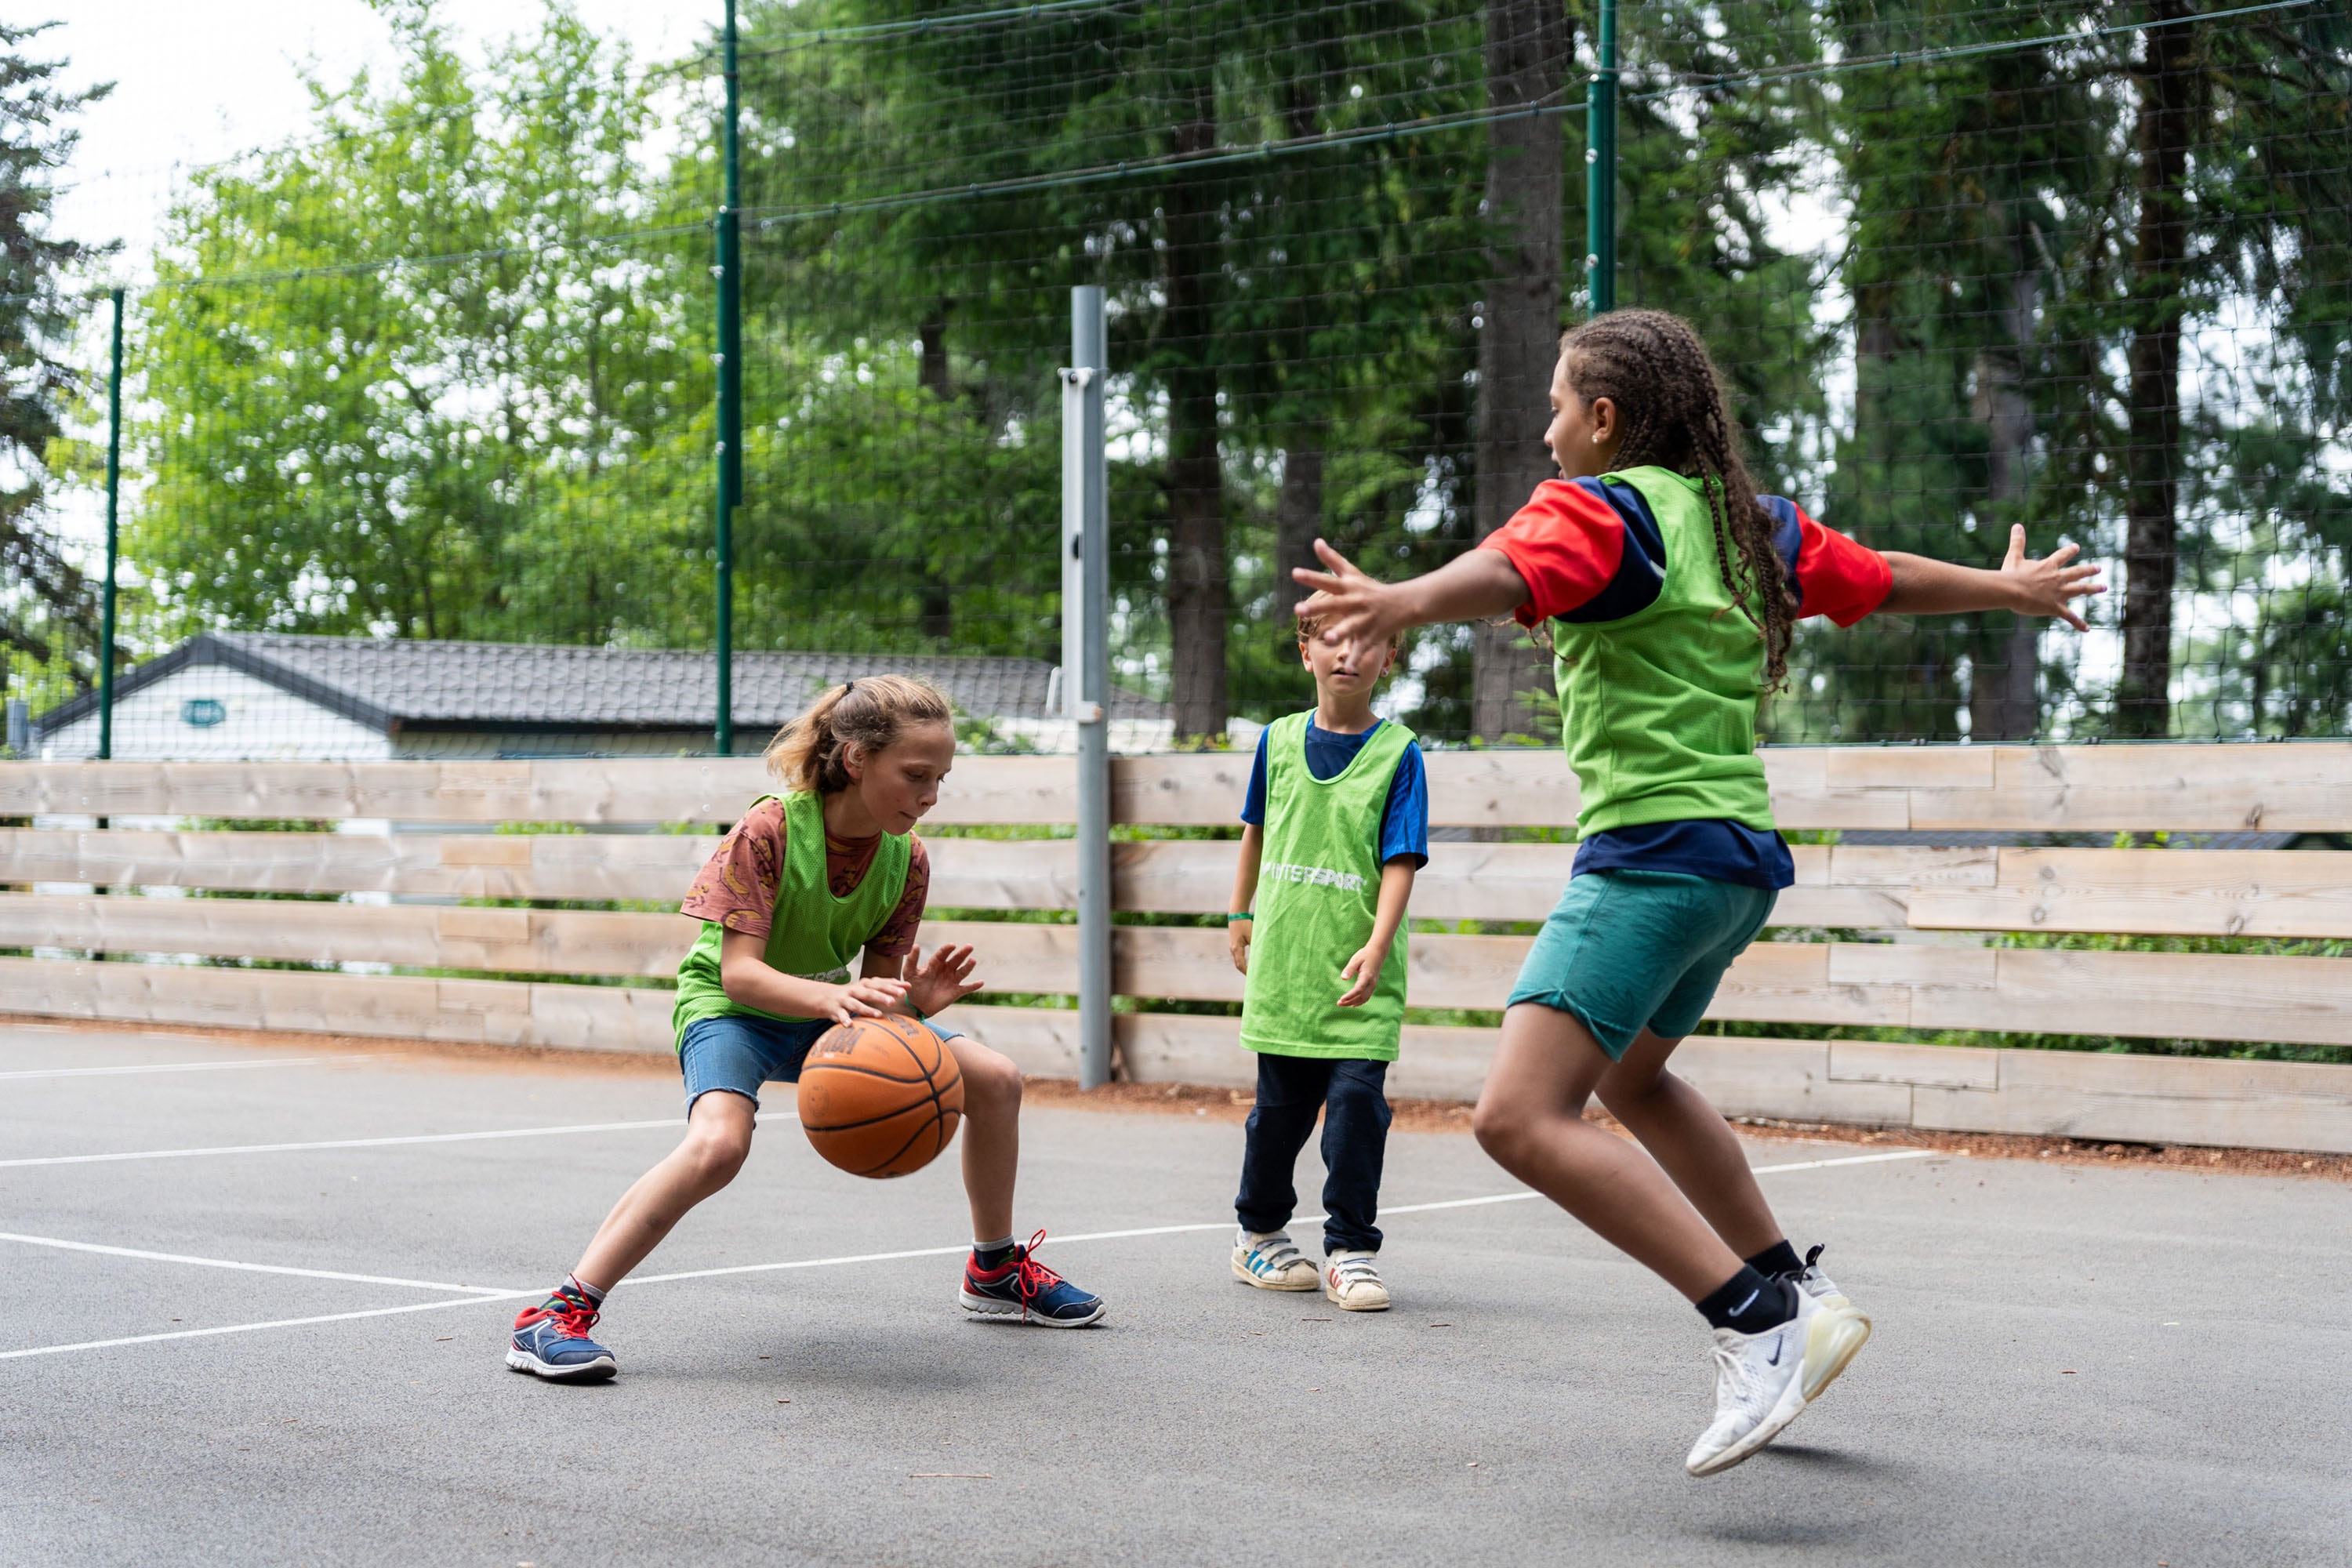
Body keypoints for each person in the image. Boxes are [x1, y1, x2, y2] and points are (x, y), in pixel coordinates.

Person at [1290, 308, 2102, 1474]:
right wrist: (2005, 590)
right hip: (1735, 865)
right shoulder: (1743, 523)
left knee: (1518, 1119)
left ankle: (1751, 1323)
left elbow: (1508, 566)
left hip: (1652, 858)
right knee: (1635, 1079)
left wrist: (1406, 599)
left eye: (1560, 404)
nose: (1547, 425)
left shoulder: (1598, 510)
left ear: (1605, 418)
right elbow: (1880, 578)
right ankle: (1791, 1286)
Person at [507, 675, 1106, 1382]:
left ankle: (995, 1268)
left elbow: (880, 1007)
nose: (930, 795)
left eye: (941, 778)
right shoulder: (770, 830)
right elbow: (739, 975)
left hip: (830, 1011)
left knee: (996, 1079)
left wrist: (913, 1005)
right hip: (735, 1012)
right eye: (915, 775)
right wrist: (840, 1000)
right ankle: (554, 1314)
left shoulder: (905, 857)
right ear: (855, 759)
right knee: (718, 1147)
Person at [1225, 593, 1429, 1311]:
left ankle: (1349, 1248)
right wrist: (1239, 912)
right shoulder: (1277, 741)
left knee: (1354, 1110)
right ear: (1306, 651)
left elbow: (1402, 859)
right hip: (1285, 969)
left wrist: (1378, 944)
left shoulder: (1399, 753)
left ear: (1389, 657)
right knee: (1276, 1116)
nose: (1349, 655)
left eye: (1366, 643)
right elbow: (1255, 829)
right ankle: (1259, 1235)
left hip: (1357, 977)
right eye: (1332, 642)